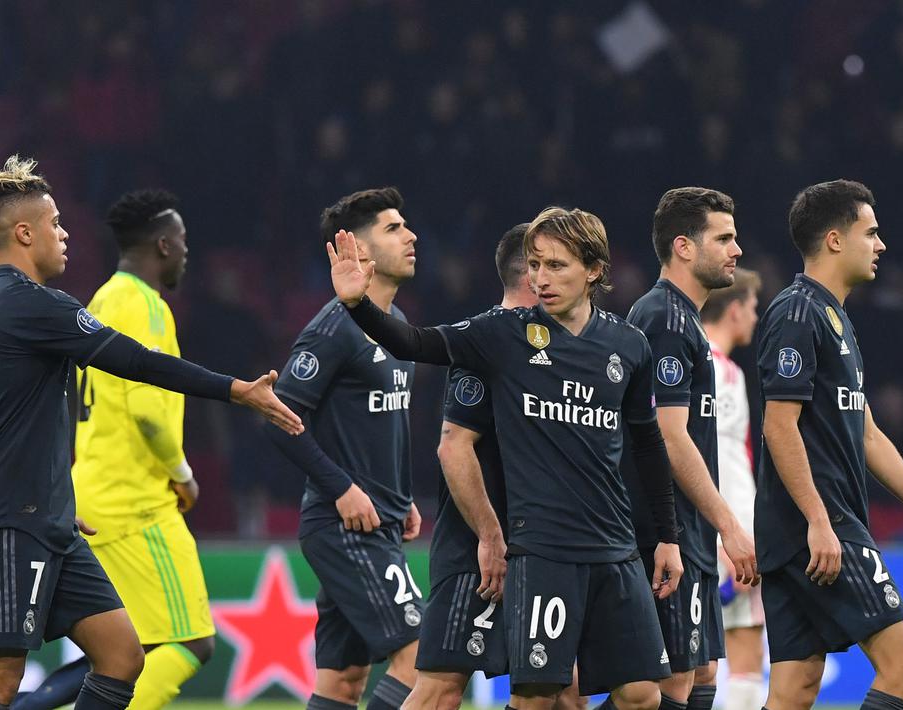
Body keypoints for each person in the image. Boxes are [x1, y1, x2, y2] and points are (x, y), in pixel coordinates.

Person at [0, 156, 302, 710]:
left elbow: (20, 418)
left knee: (122, 653)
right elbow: (139, 363)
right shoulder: (31, 306)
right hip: (7, 521)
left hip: (45, 515)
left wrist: (54, 497)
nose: (65, 235)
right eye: (55, 224)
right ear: (24, 233)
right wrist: (238, 389)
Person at [328, 206, 682, 710]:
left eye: (556, 266)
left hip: (614, 548)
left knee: (644, 696)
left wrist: (667, 537)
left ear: (594, 269)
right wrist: (359, 304)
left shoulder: (629, 345)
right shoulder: (505, 335)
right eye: (535, 265)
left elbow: (648, 444)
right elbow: (415, 342)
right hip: (543, 551)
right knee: (536, 697)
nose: (541, 278)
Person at [755, 179, 903, 710]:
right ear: (834, 239)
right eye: (870, 232)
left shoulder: (836, 321)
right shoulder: (797, 312)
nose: (881, 244)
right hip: (820, 525)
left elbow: (868, 434)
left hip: (800, 527)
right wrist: (819, 521)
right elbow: (778, 426)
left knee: (794, 688)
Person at [13, 189, 217, 710]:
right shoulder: (144, 304)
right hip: (137, 504)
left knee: (122, 648)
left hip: (93, 496)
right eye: (185, 242)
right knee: (191, 641)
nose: (189, 253)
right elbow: (147, 409)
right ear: (165, 245)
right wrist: (182, 471)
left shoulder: (102, 299)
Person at [403, 224, 584, 710]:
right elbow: (453, 448)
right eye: (548, 262)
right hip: (480, 551)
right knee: (441, 688)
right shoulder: (485, 344)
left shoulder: (546, 347)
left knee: (562, 691)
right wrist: (488, 534)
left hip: (539, 547)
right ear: (531, 273)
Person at [265, 187, 424, 710]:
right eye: (393, 228)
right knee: (420, 658)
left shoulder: (396, 328)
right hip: (346, 528)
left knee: (343, 681)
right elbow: (278, 416)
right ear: (356, 247)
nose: (411, 236)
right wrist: (343, 489)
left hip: (377, 522)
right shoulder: (334, 329)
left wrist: (400, 496)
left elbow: (377, 422)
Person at [625, 187, 757, 710]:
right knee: (671, 684)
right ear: (683, 246)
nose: (736, 250)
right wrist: (729, 524)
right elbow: (669, 437)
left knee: (701, 673)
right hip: (668, 535)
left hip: (691, 534)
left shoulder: (687, 325)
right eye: (723, 238)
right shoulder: (663, 320)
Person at [700, 269, 766, 710]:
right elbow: (709, 460)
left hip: (725, 529)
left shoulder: (724, 371)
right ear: (736, 308)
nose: (757, 317)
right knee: (741, 651)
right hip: (728, 533)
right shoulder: (714, 372)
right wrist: (729, 534)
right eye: (755, 307)